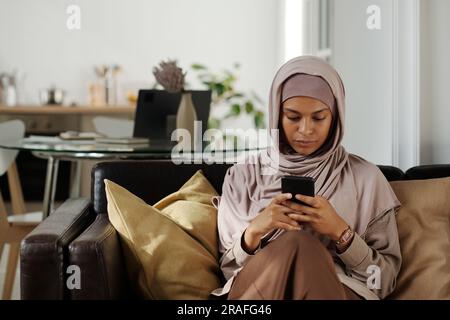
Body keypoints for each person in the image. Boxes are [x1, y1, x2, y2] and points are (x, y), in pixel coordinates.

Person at [211, 56, 402, 300]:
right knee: (297, 244)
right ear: (276, 115)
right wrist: (255, 231)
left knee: (303, 248)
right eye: (293, 117)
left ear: (336, 118)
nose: (305, 130)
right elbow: (229, 271)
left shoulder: (365, 179)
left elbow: (384, 280)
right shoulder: (243, 176)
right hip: (260, 285)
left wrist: (341, 234)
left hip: (337, 288)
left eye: (319, 117)